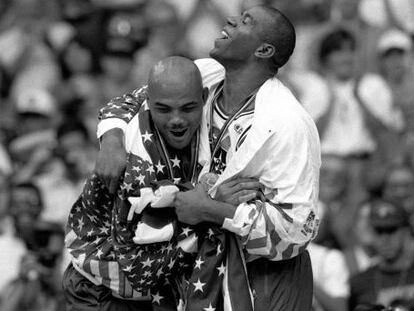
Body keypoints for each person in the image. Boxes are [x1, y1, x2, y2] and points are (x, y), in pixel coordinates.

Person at [96, 5, 321, 310]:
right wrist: (111, 139)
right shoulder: (206, 73)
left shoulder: (288, 123)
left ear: (264, 49)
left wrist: (211, 209)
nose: (231, 19)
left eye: (245, 21)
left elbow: (295, 232)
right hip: (205, 261)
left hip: (268, 274)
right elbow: (130, 102)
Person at [64, 56, 261, 311]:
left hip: (158, 292)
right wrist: (213, 208)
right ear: (150, 104)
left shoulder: (209, 78)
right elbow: (142, 272)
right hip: (102, 291)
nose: (176, 119)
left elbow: (127, 99)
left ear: (203, 97)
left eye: (188, 108)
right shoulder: (137, 166)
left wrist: (111, 133)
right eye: (164, 110)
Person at [350, 199, 414, 310]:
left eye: (391, 230)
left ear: (407, 230)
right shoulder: (359, 282)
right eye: (379, 231)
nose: (385, 239)